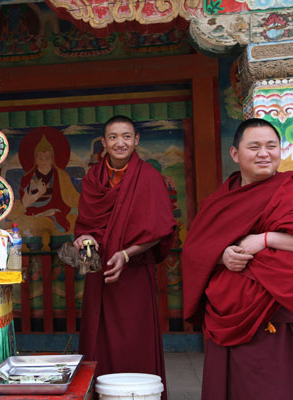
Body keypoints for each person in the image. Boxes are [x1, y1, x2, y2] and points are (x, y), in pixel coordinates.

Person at [182, 118, 293, 400]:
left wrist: (266, 239)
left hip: (284, 316)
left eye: (271, 146)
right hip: (231, 316)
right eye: (254, 147)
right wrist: (222, 255)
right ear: (235, 154)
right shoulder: (220, 202)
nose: (264, 153)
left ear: (280, 150)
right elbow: (195, 252)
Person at [73, 115, 176, 392]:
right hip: (100, 272)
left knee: (134, 337)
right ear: (104, 142)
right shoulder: (93, 178)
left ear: (136, 140)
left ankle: (138, 394)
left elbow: (160, 230)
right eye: (114, 137)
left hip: (133, 272)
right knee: (99, 336)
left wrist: (127, 254)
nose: (121, 143)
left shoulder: (150, 178)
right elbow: (87, 224)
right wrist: (84, 238)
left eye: (127, 136)